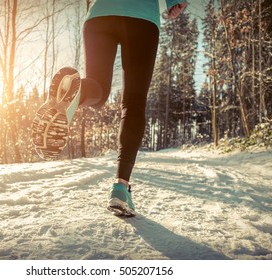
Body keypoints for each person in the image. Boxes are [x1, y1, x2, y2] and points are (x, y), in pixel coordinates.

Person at [32, 0, 188, 217]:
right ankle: (121, 188)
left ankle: (76, 93)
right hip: (141, 17)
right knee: (133, 102)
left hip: (100, 14)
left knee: (97, 89)